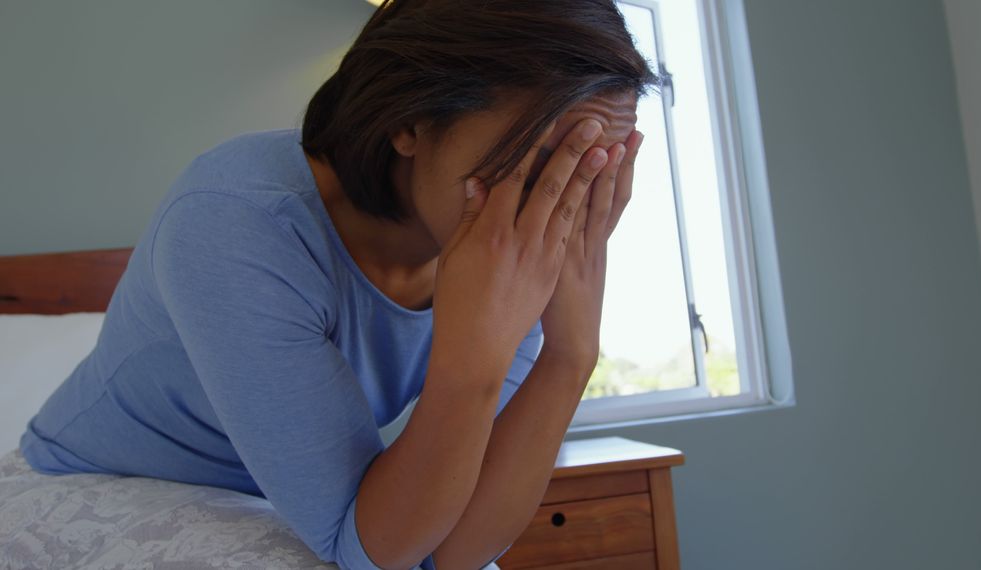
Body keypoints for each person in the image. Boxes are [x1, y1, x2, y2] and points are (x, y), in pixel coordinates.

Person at [19, 0, 657, 568]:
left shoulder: (507, 248)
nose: (561, 208)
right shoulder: (233, 217)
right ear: (408, 121)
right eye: (542, 164)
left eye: (597, 170)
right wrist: (477, 353)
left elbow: (456, 554)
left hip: (281, 497)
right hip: (98, 479)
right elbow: (374, 551)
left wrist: (570, 356)